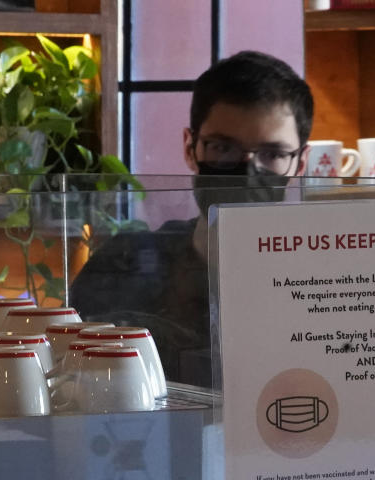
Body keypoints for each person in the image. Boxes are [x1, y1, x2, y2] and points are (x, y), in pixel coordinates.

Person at [69, 51, 314, 388]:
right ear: (190, 147)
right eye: (222, 148)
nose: (246, 172)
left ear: (300, 163)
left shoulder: (321, 278)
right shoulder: (123, 265)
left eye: (272, 154)